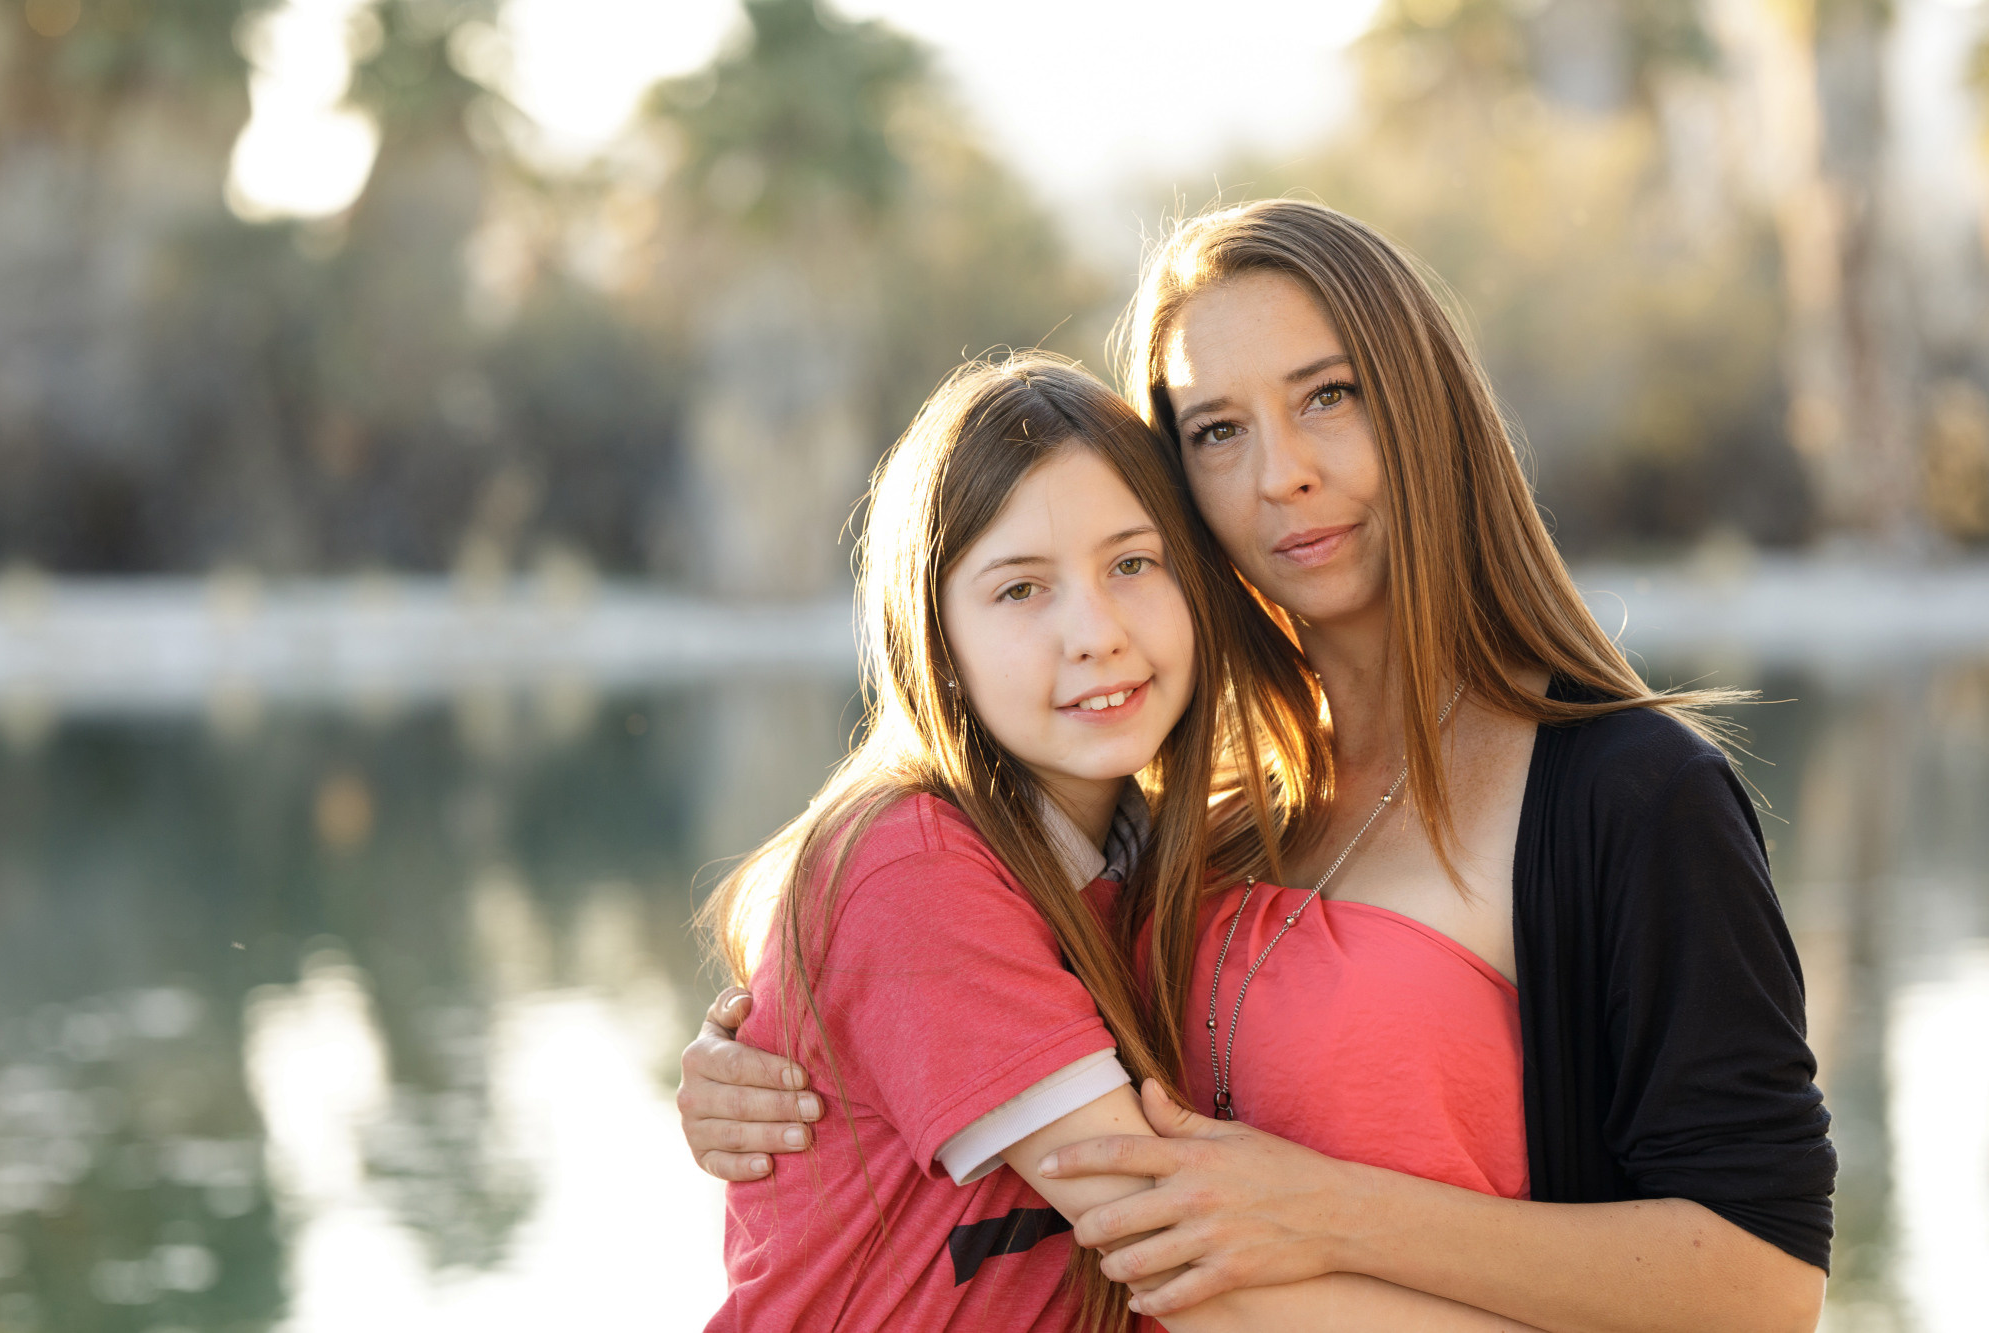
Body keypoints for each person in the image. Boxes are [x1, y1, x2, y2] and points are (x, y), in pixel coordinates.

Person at [682, 201, 1834, 1333]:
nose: (1280, 473)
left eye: (1328, 397)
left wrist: (1329, 1212)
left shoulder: (1625, 794)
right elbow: (925, 976)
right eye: (1215, 431)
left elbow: (1764, 1286)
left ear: (1427, 410)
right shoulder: (1194, 812)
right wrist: (772, 1060)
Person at [699, 352, 1532, 1331]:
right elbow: (1188, 1264)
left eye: (1132, 563)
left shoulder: (1154, 856)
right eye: (1019, 590)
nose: (1092, 631)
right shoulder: (902, 863)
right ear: (936, 634)